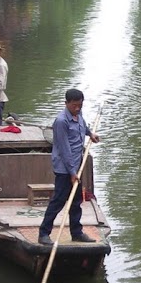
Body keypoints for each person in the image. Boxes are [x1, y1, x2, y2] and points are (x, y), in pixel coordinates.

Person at [38, 88, 100, 245]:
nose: (77, 109)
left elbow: (83, 126)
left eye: (80, 105)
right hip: (65, 168)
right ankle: (44, 233)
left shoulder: (78, 115)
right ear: (66, 104)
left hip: (76, 164)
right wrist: (72, 173)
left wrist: (90, 134)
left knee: (76, 200)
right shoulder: (61, 122)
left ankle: (77, 232)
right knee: (58, 200)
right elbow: (65, 150)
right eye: (74, 106)